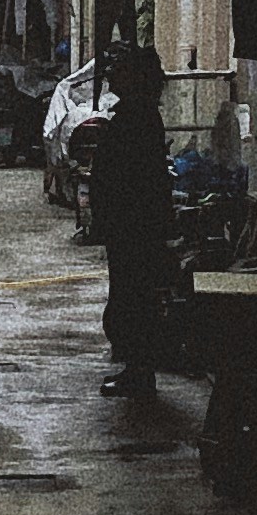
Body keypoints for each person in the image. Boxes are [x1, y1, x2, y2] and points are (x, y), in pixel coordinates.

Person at [97, 43, 174, 400]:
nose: (111, 74)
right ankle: (136, 368)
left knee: (135, 297)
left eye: (119, 69)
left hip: (135, 225)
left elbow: (135, 178)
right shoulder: (134, 115)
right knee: (130, 295)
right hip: (128, 223)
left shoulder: (138, 119)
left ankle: (141, 372)